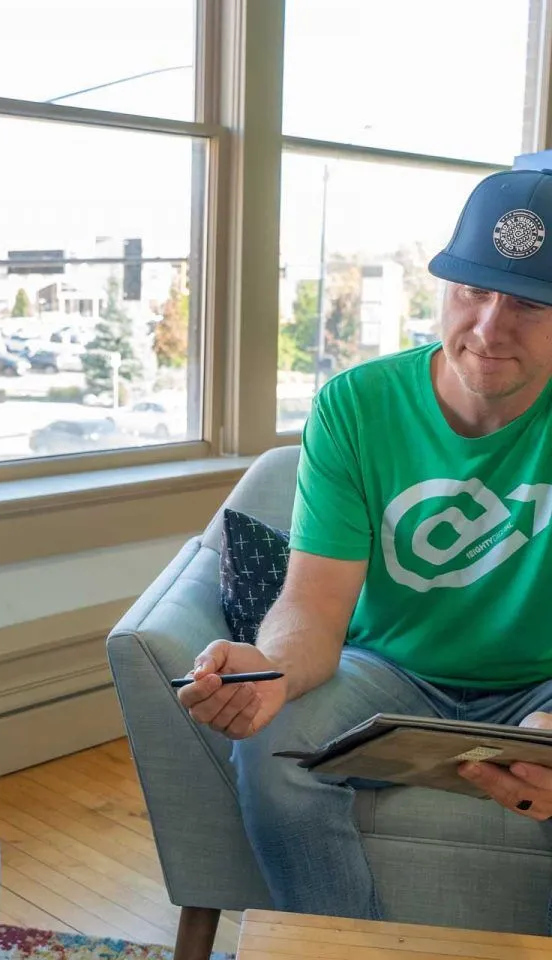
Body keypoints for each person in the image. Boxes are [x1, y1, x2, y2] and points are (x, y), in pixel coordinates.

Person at [178, 167, 552, 923]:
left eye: (530, 303)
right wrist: (271, 669)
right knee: (271, 736)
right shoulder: (357, 403)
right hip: (392, 674)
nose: (487, 327)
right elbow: (313, 606)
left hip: (544, 684)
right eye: (472, 290)